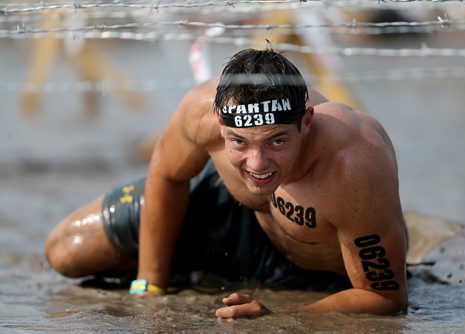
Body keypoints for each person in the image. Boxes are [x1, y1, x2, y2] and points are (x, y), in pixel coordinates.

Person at [45, 48, 408, 318]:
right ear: (220, 122)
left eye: (277, 141)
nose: (258, 164)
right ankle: (188, 266)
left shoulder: (354, 164)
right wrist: (149, 285)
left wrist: (284, 315)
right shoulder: (200, 111)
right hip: (231, 210)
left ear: (307, 121)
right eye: (239, 141)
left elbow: (386, 298)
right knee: (65, 250)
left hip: (309, 270)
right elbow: (167, 174)